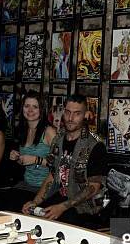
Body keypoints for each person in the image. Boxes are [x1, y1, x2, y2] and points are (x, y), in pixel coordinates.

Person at [22, 94, 108, 226]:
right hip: (61, 199)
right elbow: (52, 175)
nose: (70, 118)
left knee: (58, 224)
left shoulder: (96, 145)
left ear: (85, 115)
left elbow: (94, 187)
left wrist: (62, 207)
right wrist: (36, 201)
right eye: (68, 112)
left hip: (86, 207)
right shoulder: (58, 140)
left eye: (77, 113)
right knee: (31, 217)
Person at [6, 91, 56, 211]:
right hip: (27, 183)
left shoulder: (49, 131)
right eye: (27, 106)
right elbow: (25, 161)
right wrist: (17, 157)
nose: (30, 110)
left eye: (35, 107)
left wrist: (35, 159)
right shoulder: (22, 129)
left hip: (45, 187)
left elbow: (59, 164)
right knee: (5, 207)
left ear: (41, 110)